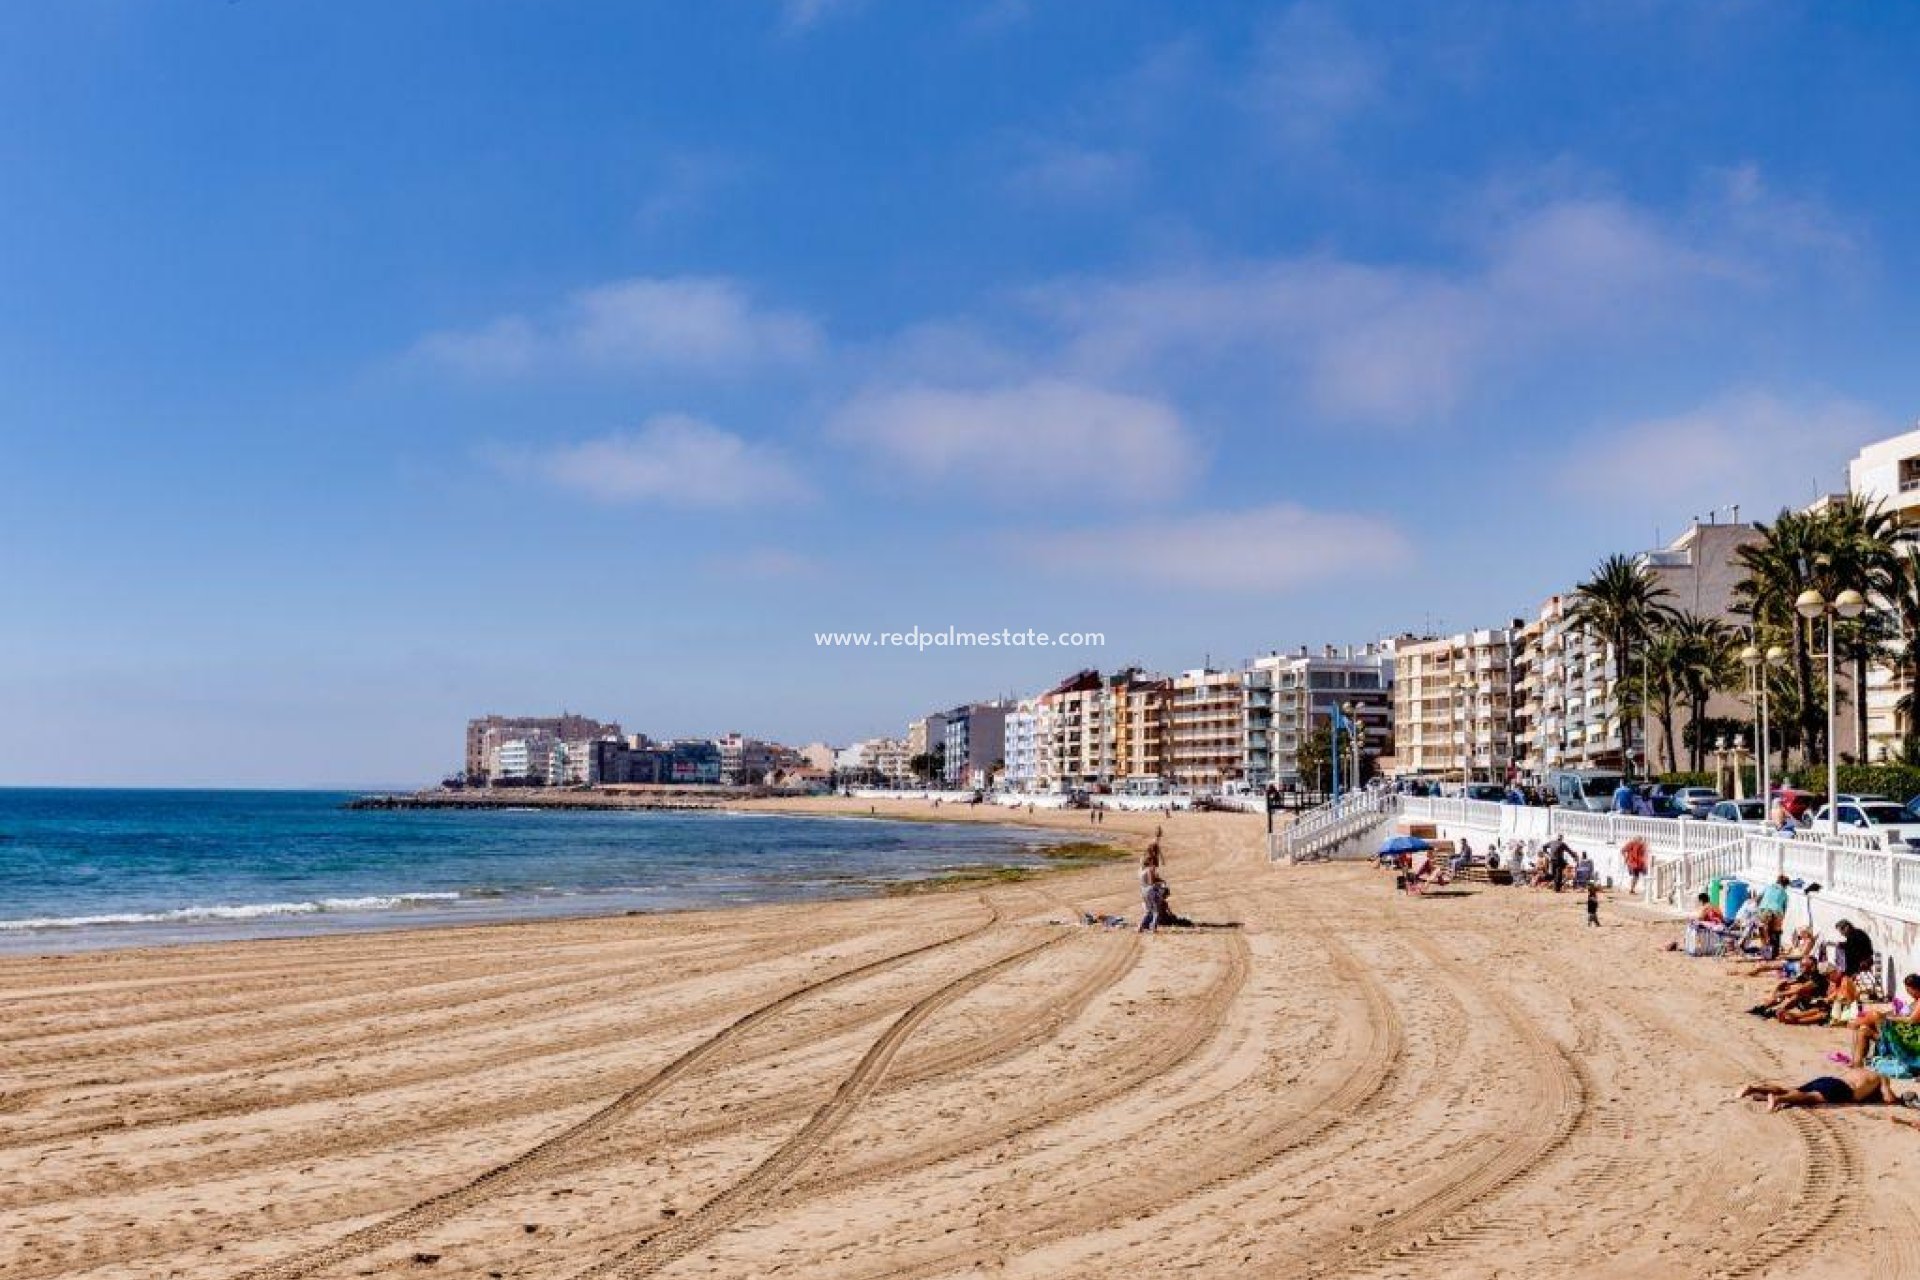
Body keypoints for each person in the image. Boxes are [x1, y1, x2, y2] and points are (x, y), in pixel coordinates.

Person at [1738, 1066, 1899, 1112]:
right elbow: (1889, 1099)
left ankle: (1754, 1089)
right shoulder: (1881, 1077)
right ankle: (1780, 1099)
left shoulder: (1859, 1069)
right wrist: (1896, 1098)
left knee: (1791, 1088)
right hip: (1843, 1089)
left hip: (1829, 1079)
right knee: (1811, 1097)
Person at [1851, 974, 1920, 1068]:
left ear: (1915, 988)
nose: (1908, 993)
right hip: (1902, 1030)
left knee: (1875, 1015)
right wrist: (1891, 1015)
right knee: (1863, 1030)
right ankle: (1857, 1062)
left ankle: (1881, 1037)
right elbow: (1904, 1015)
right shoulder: (1915, 1001)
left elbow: (1912, 1020)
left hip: (1909, 1036)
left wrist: (1892, 1018)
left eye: (1908, 990)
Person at [1757, 875, 1791, 959]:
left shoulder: (1768, 887)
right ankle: (1775, 954)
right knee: (1776, 932)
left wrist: (1759, 908)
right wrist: (1781, 920)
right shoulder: (1784, 893)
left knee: (1762, 930)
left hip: (1764, 909)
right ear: (1785, 885)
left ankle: (1765, 953)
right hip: (1777, 911)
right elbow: (1784, 908)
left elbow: (1758, 898)